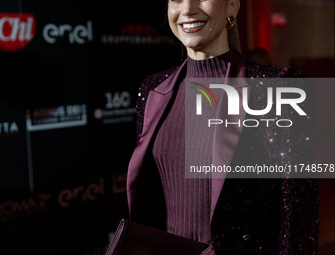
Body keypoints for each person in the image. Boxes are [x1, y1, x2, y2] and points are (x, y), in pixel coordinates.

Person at [126, 0, 319, 254]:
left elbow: (298, 218)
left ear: (231, 7)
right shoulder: (152, 90)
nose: (187, 9)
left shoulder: (278, 87)